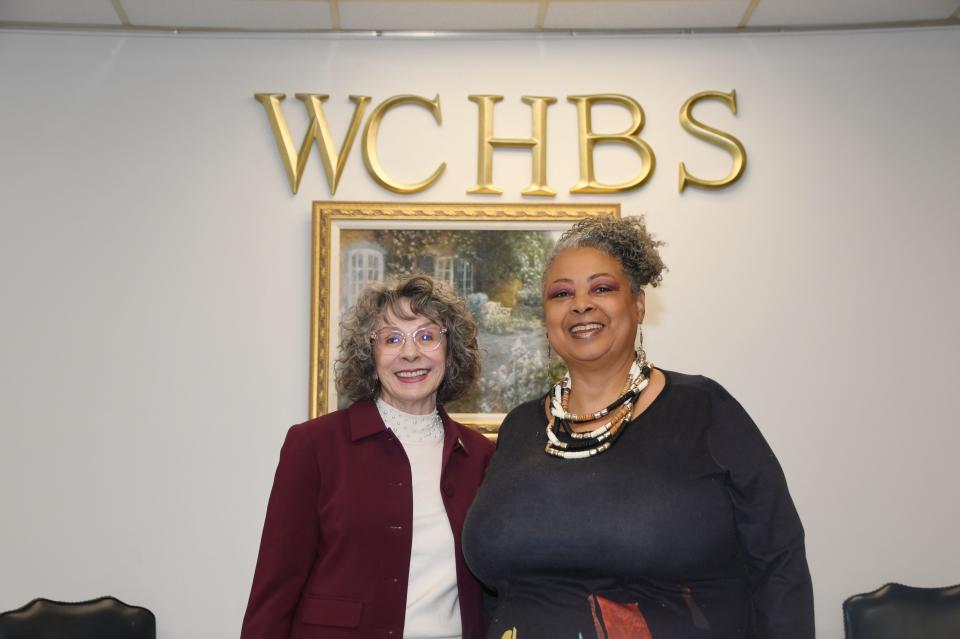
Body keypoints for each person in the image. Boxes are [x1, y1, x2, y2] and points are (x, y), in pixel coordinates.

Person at [462, 216, 814, 639]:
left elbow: (779, 564)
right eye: (561, 294)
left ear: (639, 303)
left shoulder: (703, 410)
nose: (580, 304)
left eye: (602, 288)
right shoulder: (520, 427)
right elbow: (496, 592)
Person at [242, 275, 495, 639]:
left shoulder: (481, 455)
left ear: (450, 350)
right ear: (369, 354)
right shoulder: (314, 445)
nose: (411, 353)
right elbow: (275, 591)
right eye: (392, 339)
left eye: (427, 336)